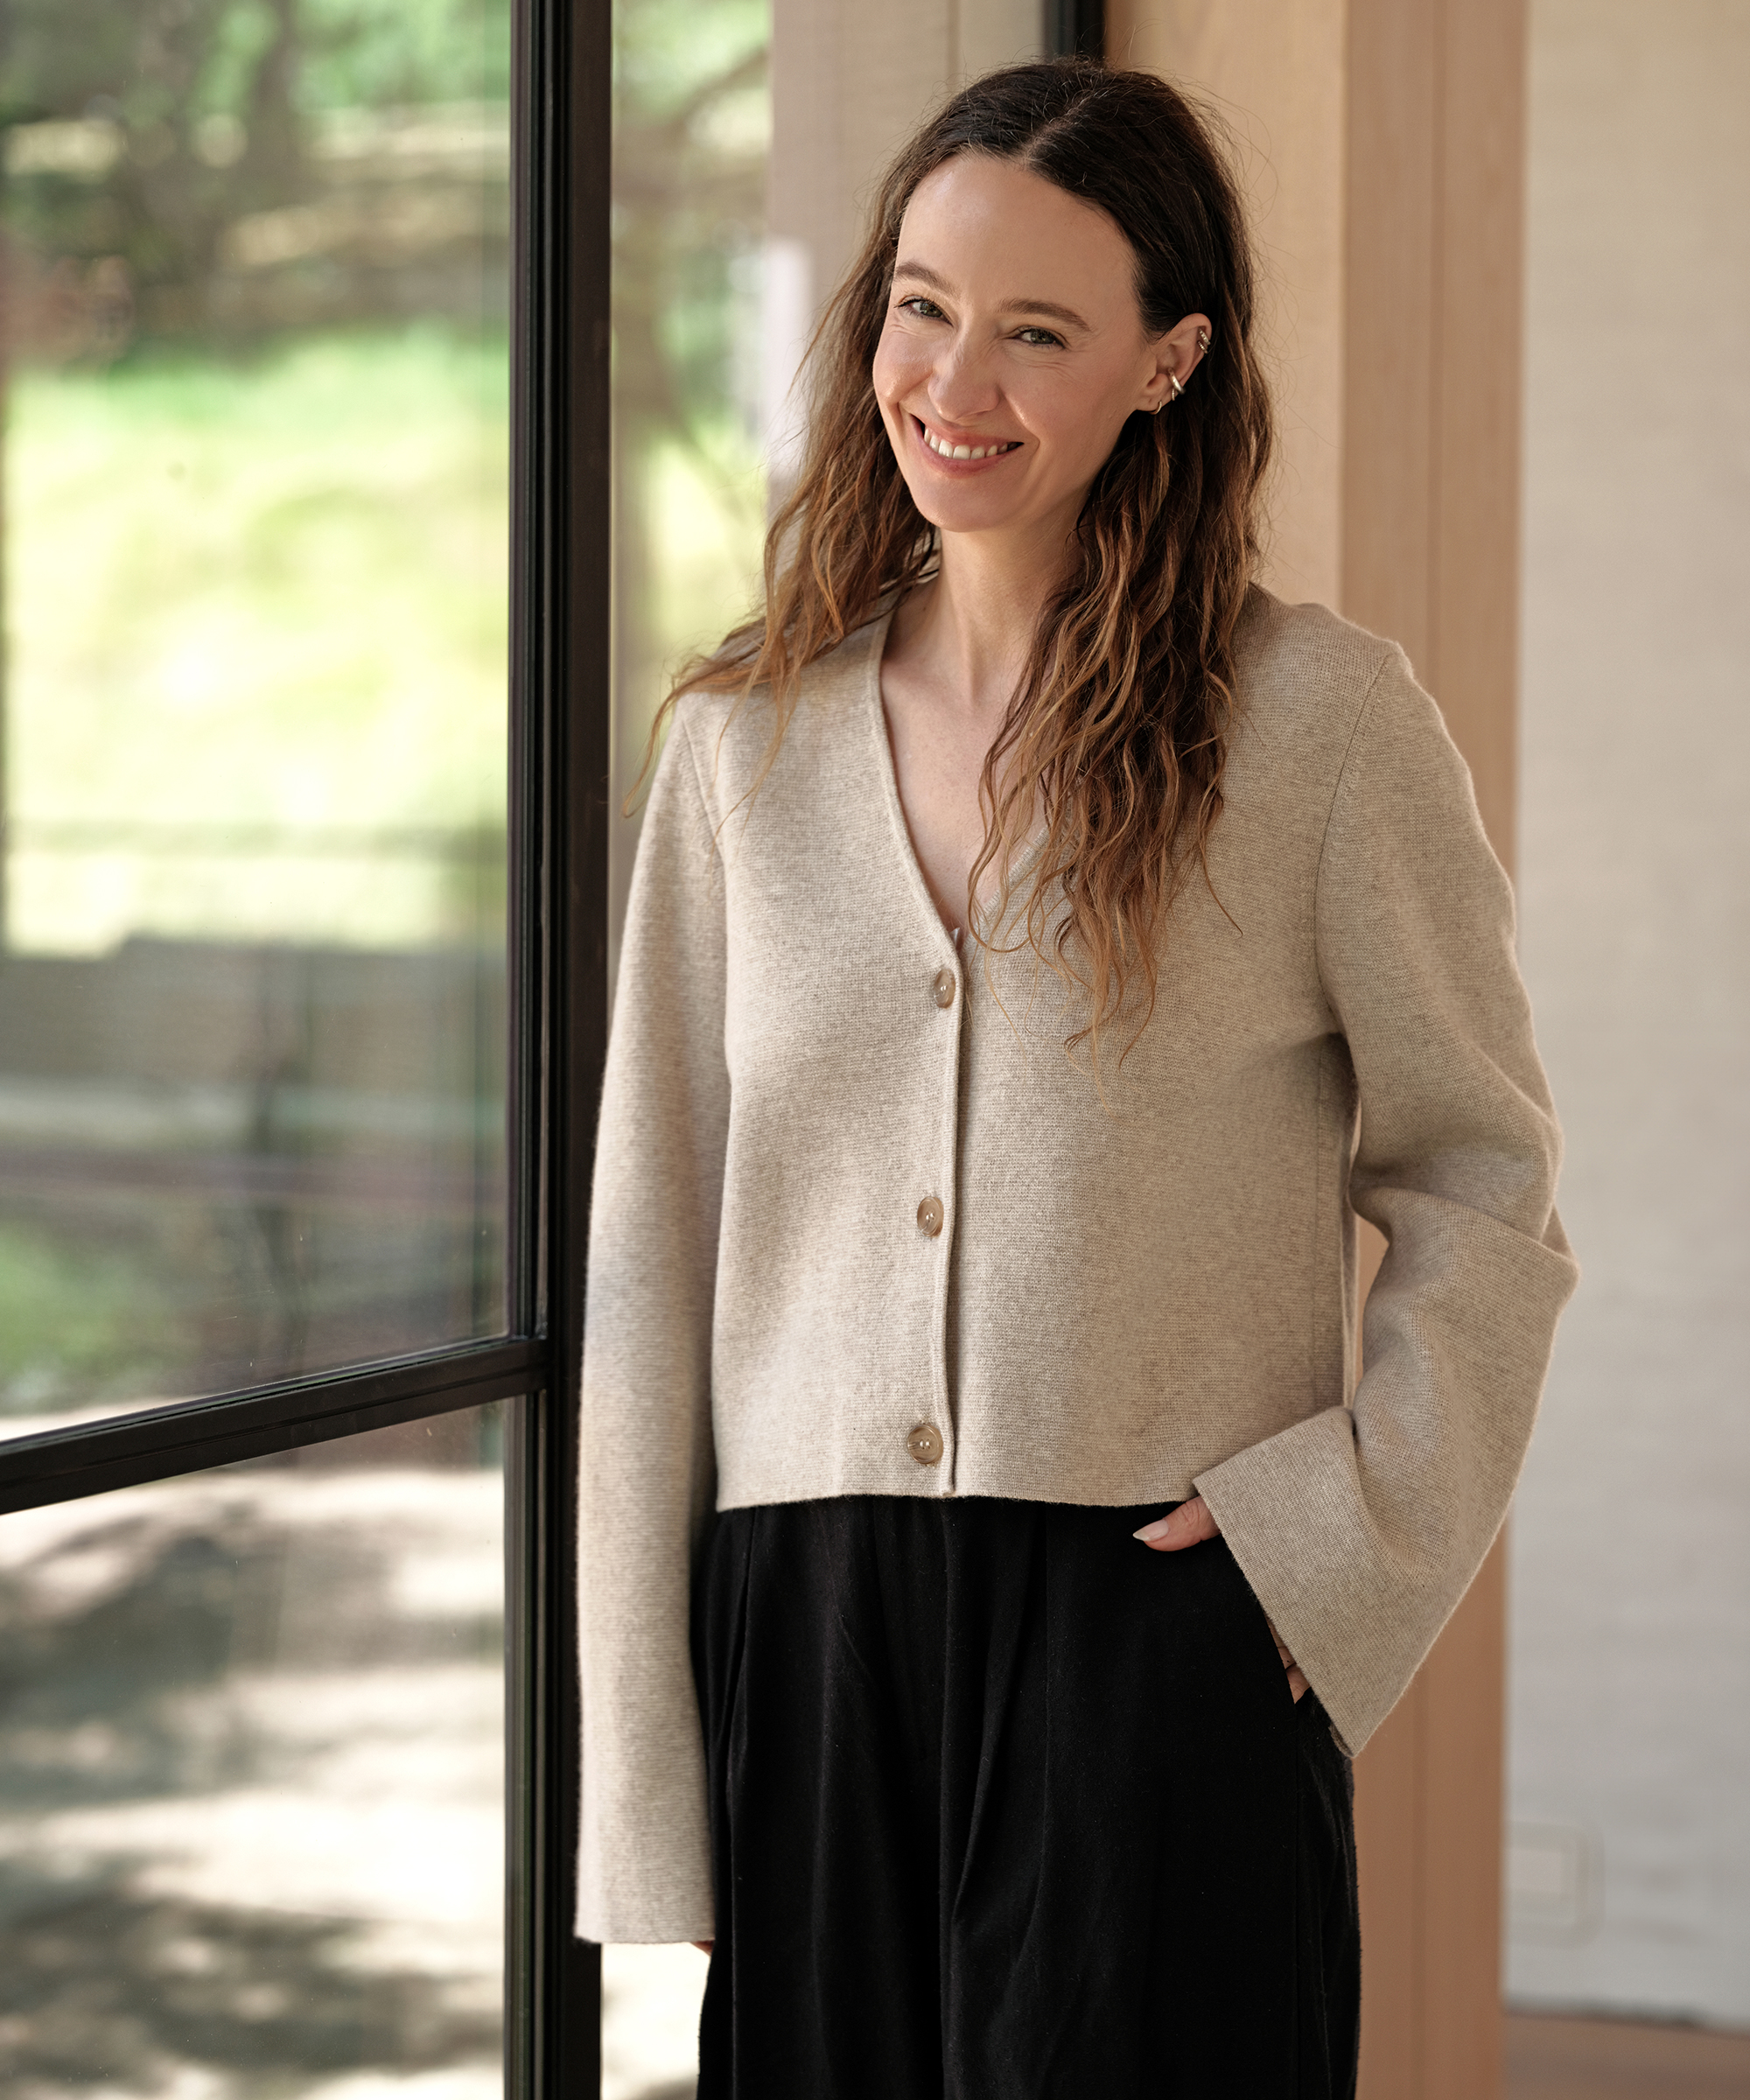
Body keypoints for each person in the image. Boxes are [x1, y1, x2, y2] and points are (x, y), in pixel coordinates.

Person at [578, 56, 1577, 2099]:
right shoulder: (740, 750)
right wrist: (647, 1777)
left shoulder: (1312, 727)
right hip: (810, 1638)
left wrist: (1344, 1542)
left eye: (1039, 330)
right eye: (923, 306)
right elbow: (648, 1254)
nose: (958, 378)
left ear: (1167, 362)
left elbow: (1484, 1182)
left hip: (1153, 1628)